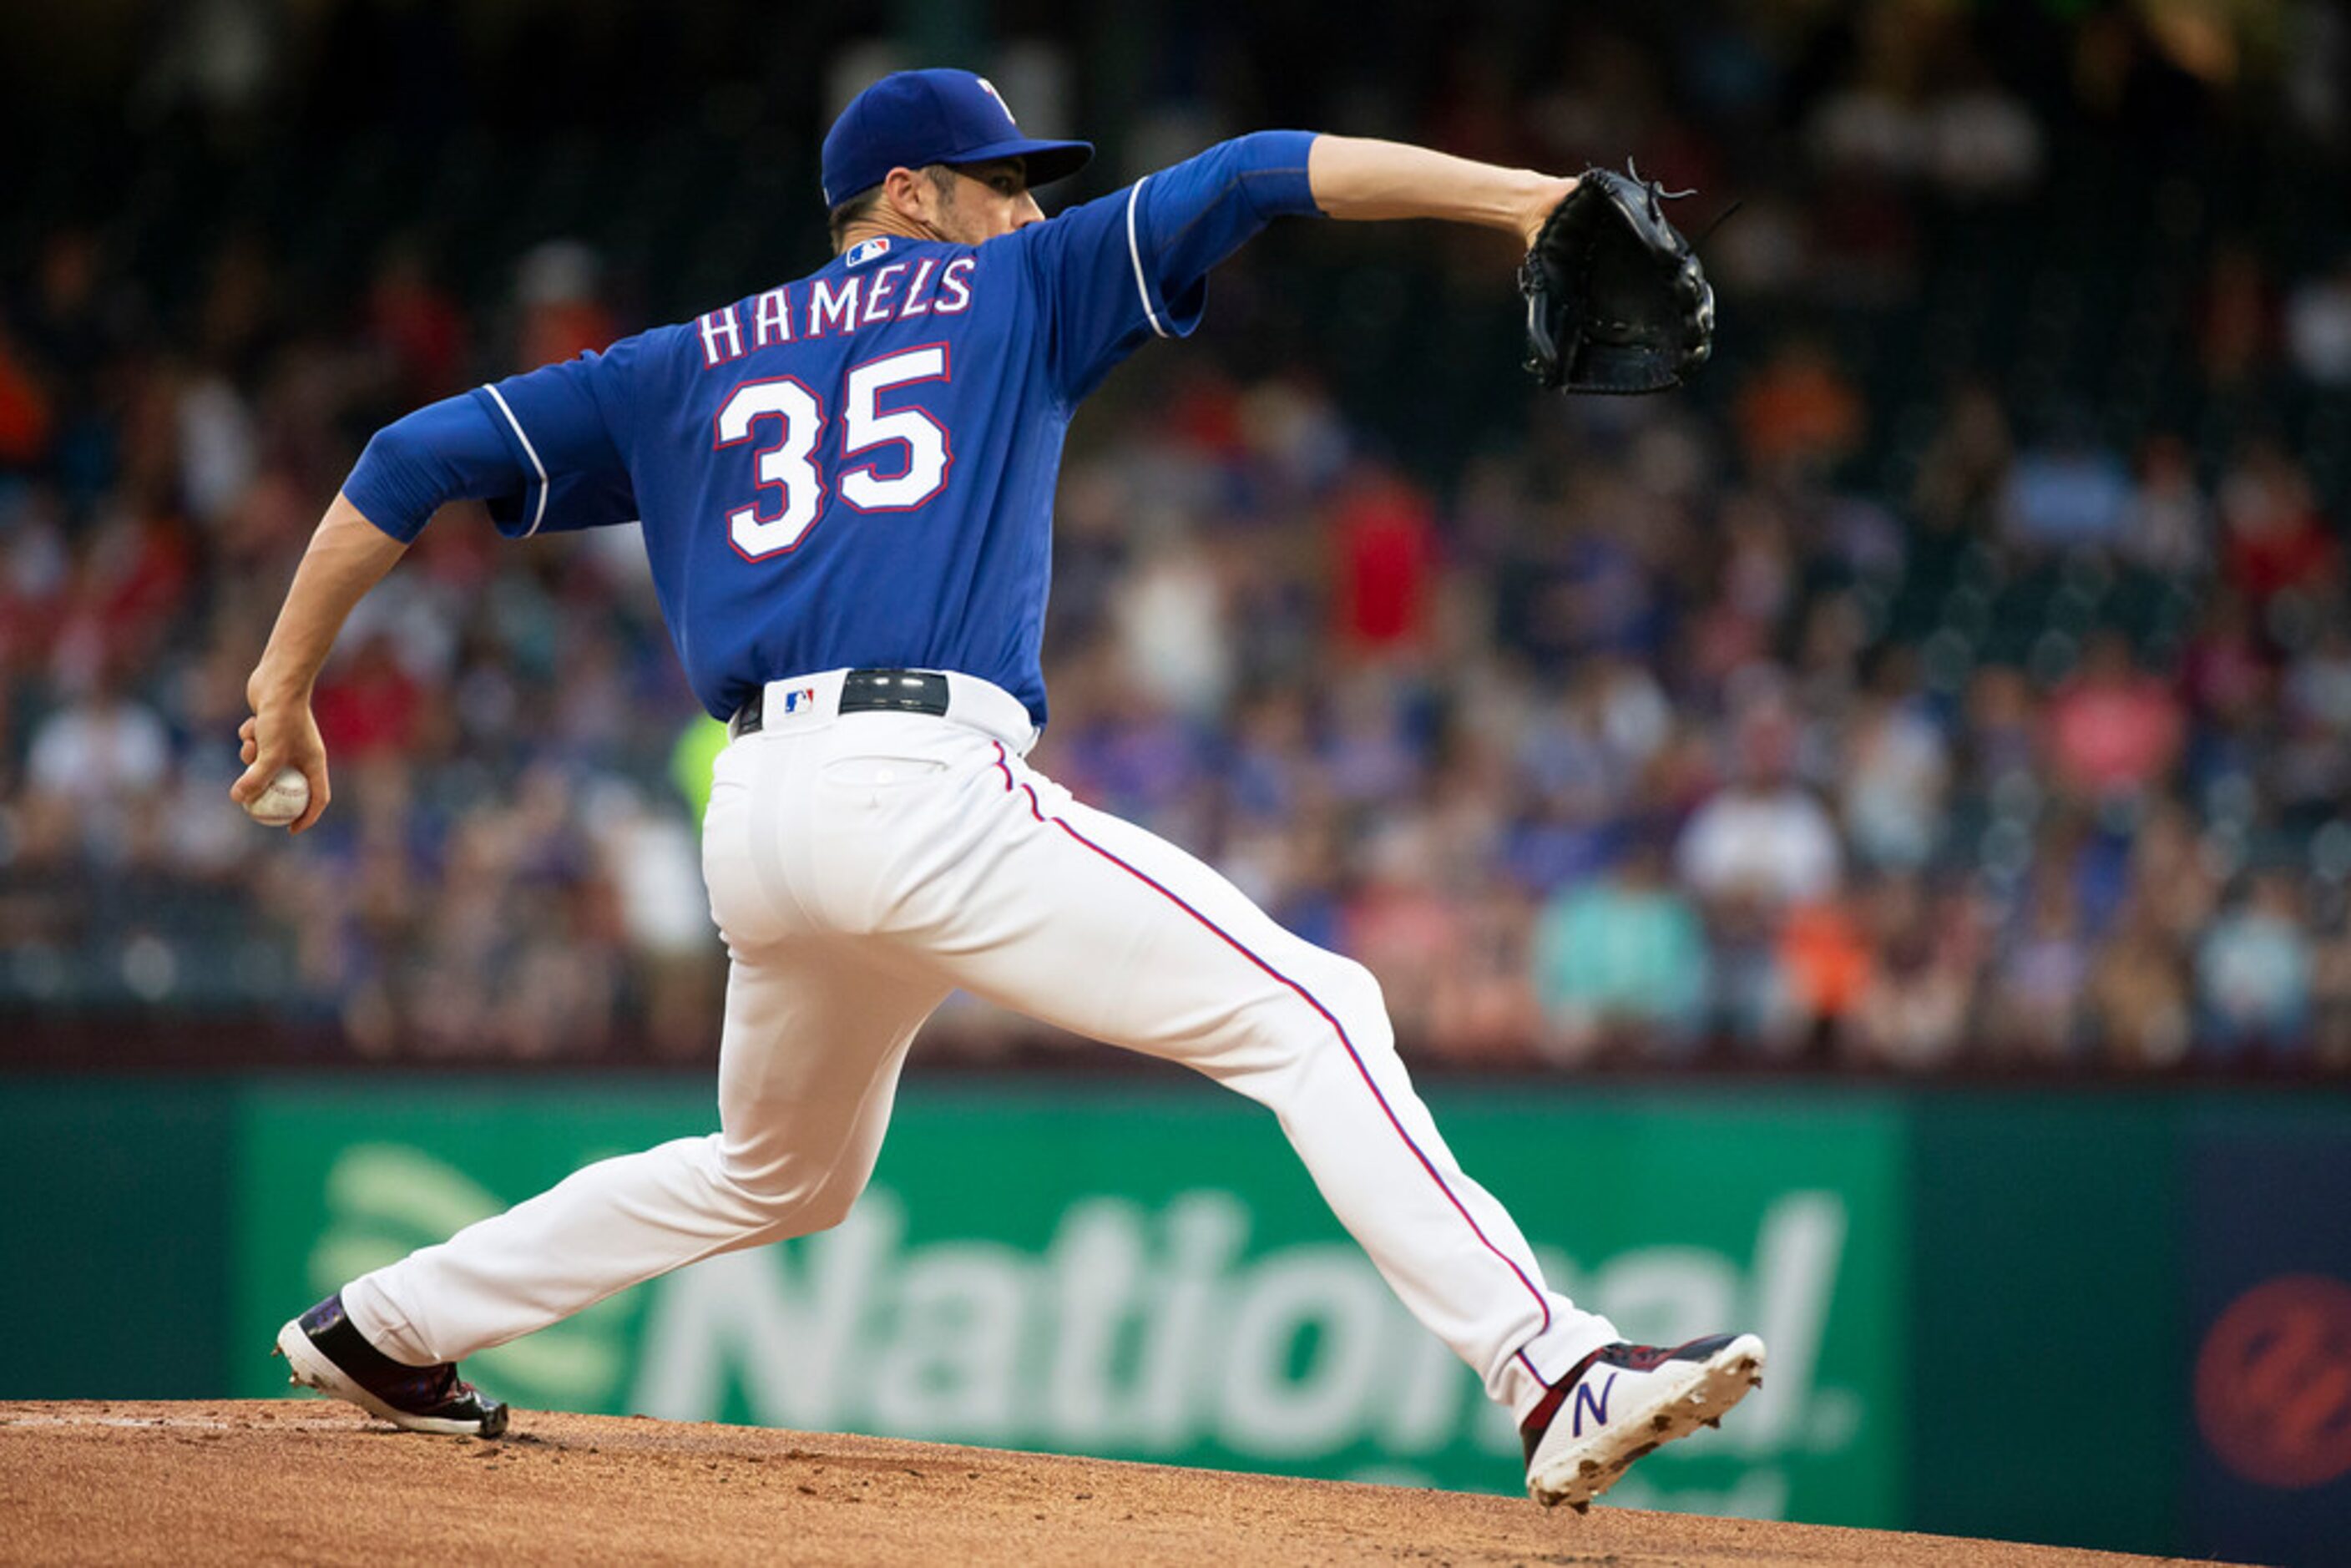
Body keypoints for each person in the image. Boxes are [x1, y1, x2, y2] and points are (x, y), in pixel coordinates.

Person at [236, 68, 1762, 1511]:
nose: (1030, 212)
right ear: (907, 192)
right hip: (917, 786)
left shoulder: (681, 359)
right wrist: (1522, 199)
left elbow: (410, 453)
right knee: (1313, 1010)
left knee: (779, 1169)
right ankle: (1550, 1363)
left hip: (759, 815)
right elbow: (1256, 175)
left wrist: (284, 684)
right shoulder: (1012, 288)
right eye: (1001, 184)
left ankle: (389, 1317)